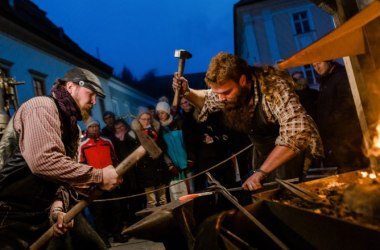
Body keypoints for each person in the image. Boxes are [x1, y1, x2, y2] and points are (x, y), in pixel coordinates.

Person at [0, 67, 122, 249]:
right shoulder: (41, 106)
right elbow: (43, 161)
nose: (94, 101)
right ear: (71, 86)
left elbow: (65, 178)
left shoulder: (73, 131)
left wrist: (58, 207)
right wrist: (99, 175)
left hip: (44, 210)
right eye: (91, 93)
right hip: (9, 213)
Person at [173, 52, 324, 191]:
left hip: (297, 156)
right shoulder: (229, 92)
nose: (221, 99)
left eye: (226, 92)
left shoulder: (273, 88)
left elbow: (296, 133)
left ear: (243, 80)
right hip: (265, 156)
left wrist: (260, 173)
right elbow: (207, 99)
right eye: (218, 93)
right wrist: (187, 91)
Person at [313, 60, 368, 172]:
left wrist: (330, 121)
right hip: (336, 136)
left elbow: (347, 103)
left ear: (328, 61)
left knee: (356, 168)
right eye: (313, 66)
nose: (317, 68)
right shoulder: (326, 80)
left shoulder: (340, 76)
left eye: (319, 63)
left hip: (348, 134)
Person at [78, 119, 125, 247]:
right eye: (91, 127)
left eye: (96, 126)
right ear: (87, 129)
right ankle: (103, 238)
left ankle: (116, 233)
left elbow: (114, 159)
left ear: (99, 128)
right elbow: (81, 165)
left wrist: (118, 175)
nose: (94, 129)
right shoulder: (83, 145)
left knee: (116, 208)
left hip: (110, 181)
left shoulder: (107, 142)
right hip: (95, 183)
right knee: (98, 212)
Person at [131, 111, 171, 208]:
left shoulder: (156, 130)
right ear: (139, 120)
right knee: (151, 200)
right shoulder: (134, 134)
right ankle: (153, 219)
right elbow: (134, 151)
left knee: (163, 198)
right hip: (145, 168)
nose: (146, 121)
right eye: (143, 119)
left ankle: (166, 219)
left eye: (148, 119)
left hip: (158, 165)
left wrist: (155, 143)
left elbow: (164, 146)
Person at [112, 118, 145, 229]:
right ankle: (130, 222)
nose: (120, 129)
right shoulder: (114, 139)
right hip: (122, 172)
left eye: (121, 127)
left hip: (134, 171)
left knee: (137, 198)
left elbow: (135, 147)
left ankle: (138, 222)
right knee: (126, 200)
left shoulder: (130, 134)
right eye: (117, 128)